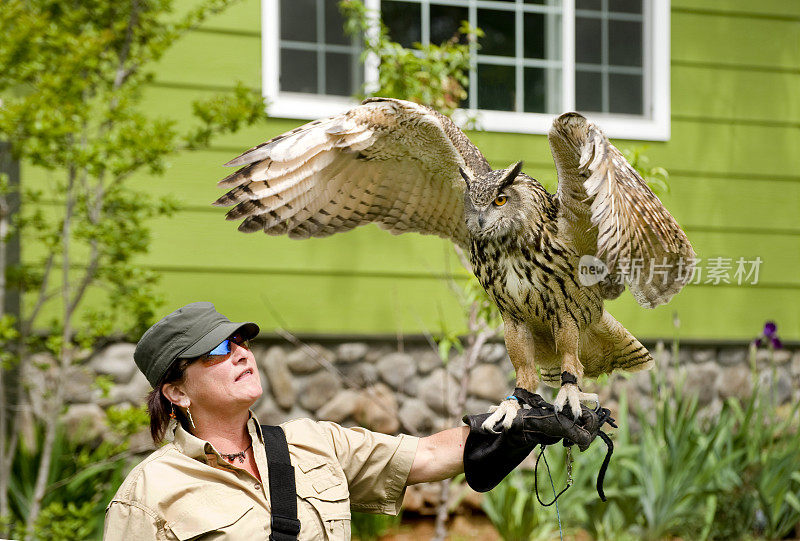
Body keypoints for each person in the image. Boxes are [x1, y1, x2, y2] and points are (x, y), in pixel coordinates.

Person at [104, 302, 605, 540]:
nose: (239, 354)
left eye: (241, 342)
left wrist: (521, 422)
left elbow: (427, 454)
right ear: (175, 390)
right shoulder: (149, 494)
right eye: (216, 350)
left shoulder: (311, 443)